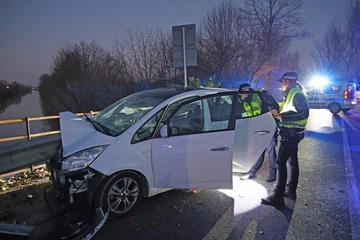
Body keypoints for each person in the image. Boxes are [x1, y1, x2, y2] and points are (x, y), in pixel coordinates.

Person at [261, 72, 309, 209]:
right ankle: (291, 191)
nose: (281, 84)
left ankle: (278, 197)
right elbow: (293, 111)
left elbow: (303, 113)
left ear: (287, 81)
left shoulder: (296, 94)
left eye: (282, 81)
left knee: (280, 162)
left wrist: (283, 117)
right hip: (293, 134)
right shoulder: (292, 93)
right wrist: (279, 114)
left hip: (291, 135)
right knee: (293, 161)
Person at [238, 83, 279, 182]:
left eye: (242, 94)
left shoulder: (262, 94)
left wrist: (269, 116)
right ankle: (252, 172)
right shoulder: (245, 101)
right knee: (255, 151)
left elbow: (275, 106)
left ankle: (273, 173)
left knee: (271, 152)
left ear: (246, 90)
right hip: (256, 130)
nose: (241, 96)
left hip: (267, 128)